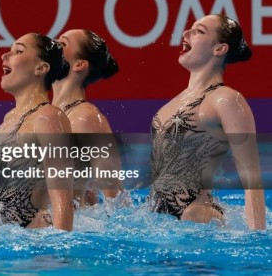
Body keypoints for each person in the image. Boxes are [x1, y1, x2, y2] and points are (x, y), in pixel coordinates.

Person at [149, 14, 265, 230]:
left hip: (196, 215)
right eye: (189, 29)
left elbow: (252, 178)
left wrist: (257, 236)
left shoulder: (226, 99)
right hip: (155, 217)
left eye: (199, 31)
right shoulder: (173, 103)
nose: (186, 33)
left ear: (219, 49)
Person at [0, 33, 74, 230]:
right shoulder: (9, 119)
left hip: (35, 243)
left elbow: (63, 201)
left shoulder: (48, 117)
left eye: (18, 51)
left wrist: (61, 255)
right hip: (2, 241)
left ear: (41, 68)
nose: (4, 56)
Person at [53, 29, 123, 206]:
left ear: (79, 64)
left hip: (64, 232)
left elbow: (116, 201)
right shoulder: (44, 114)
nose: (52, 45)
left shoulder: (86, 118)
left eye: (62, 44)